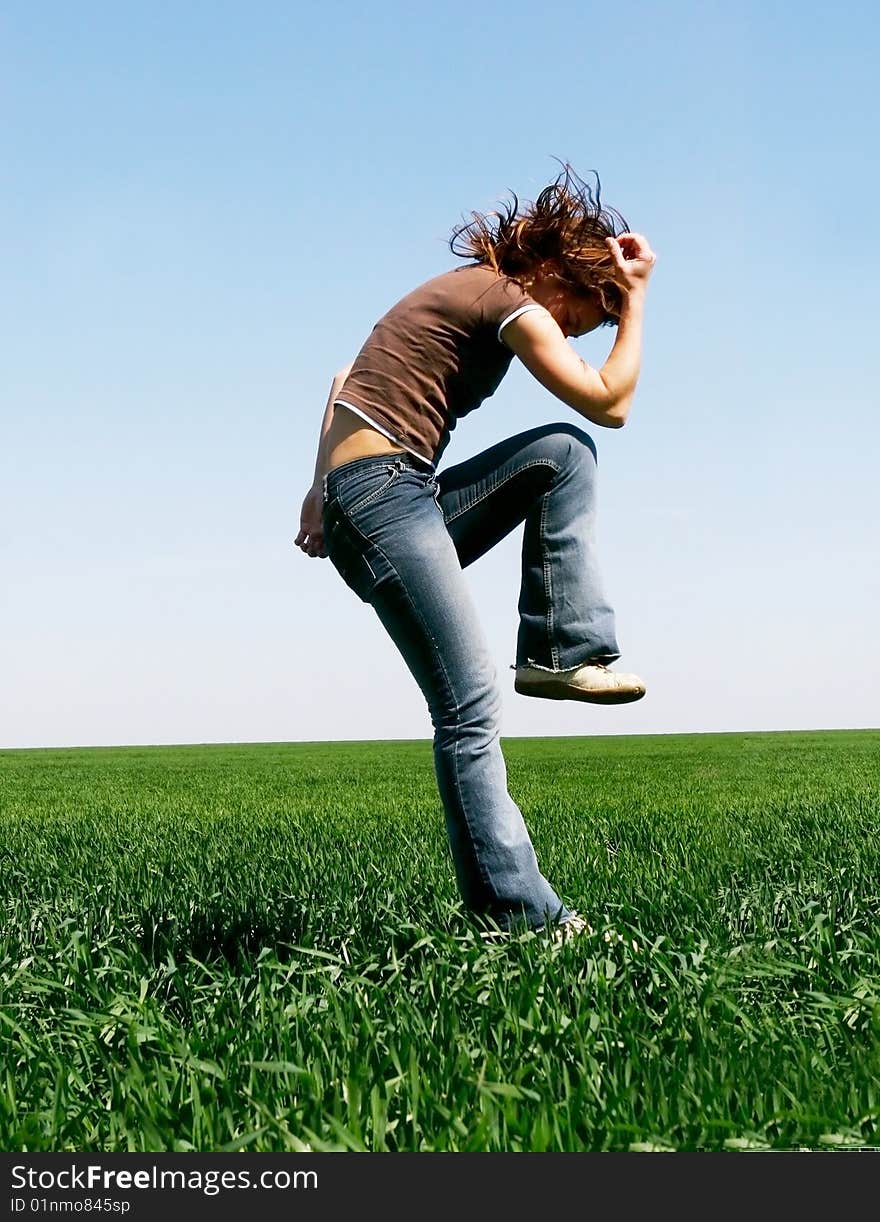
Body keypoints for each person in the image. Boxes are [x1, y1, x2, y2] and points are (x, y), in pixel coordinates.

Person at [296, 163, 656, 938]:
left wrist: (316, 492)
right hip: (385, 498)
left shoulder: (465, 291)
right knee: (467, 708)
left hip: (394, 494)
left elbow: (341, 378)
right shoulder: (505, 298)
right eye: (580, 319)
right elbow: (612, 400)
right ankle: (522, 921)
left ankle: (560, 649)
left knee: (561, 454)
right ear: (559, 277)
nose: (568, 335)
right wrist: (636, 305)